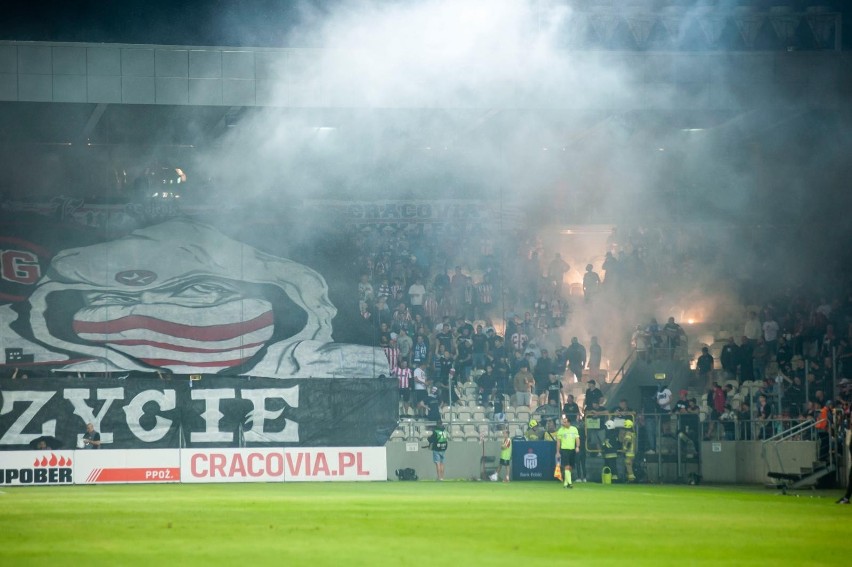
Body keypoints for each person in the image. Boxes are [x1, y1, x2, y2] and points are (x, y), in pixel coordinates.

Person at [555, 415, 581, 489]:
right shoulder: (560, 430)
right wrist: (558, 452)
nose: (563, 424)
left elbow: (577, 439)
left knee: (570, 467)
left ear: (569, 423)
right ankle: (570, 483)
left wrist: (577, 447)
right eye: (563, 422)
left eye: (565, 422)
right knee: (566, 466)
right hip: (564, 450)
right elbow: (558, 442)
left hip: (572, 450)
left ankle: (565, 483)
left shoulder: (574, 429)